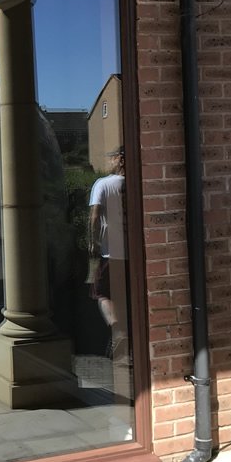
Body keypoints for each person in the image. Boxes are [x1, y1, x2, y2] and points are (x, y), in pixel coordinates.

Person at [89, 146, 128, 357]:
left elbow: (94, 216)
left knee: (102, 294)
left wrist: (93, 242)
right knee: (124, 297)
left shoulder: (103, 184)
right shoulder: (137, 184)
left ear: (121, 160)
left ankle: (118, 331)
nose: (109, 161)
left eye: (112, 157)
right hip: (133, 255)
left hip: (109, 253)